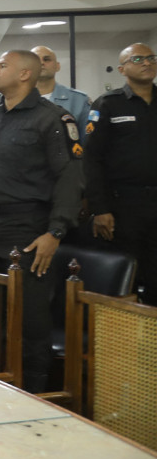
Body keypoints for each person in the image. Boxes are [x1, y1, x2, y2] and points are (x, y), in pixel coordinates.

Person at [0, 50, 83, 393]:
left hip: (27, 226)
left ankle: (34, 393)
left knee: (30, 319)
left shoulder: (53, 119)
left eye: (2, 65)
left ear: (26, 74)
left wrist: (55, 231)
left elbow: (70, 179)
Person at [85, 43, 157, 304]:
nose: (147, 63)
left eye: (151, 58)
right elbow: (91, 158)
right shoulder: (108, 104)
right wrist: (100, 208)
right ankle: (122, 342)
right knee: (126, 278)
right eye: (138, 59)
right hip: (123, 205)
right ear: (122, 68)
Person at [32, 46, 91, 139]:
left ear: (57, 66)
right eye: (36, 60)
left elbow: (87, 141)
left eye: (46, 59)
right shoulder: (16, 99)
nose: (41, 63)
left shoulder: (79, 100)